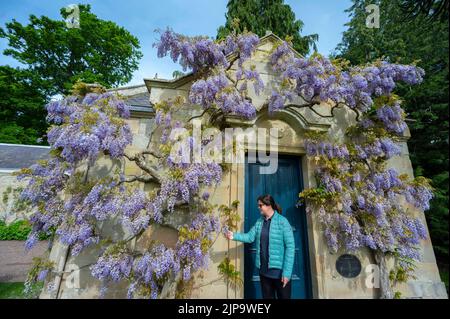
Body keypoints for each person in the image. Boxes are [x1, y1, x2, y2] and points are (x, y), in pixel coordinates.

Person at [225, 194, 295, 299]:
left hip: (280, 274)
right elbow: (250, 237)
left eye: (260, 205)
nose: (258, 207)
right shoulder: (259, 222)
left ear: (268, 205)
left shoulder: (282, 222)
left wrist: (287, 273)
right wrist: (233, 235)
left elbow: (290, 247)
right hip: (264, 273)